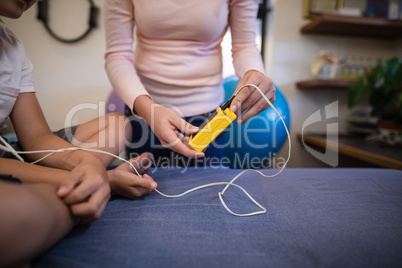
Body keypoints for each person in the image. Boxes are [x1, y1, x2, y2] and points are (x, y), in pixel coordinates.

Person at [0, 0, 156, 265]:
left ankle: (87, 183)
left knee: (119, 124)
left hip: (12, 151)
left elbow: (37, 139)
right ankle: (99, 184)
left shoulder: (13, 47)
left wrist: (89, 163)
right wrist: (102, 178)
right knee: (16, 216)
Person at [104, 0, 276, 166]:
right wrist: (147, 109)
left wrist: (255, 72)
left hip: (207, 117)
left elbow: (244, 46)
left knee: (209, 191)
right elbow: (118, 54)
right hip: (145, 115)